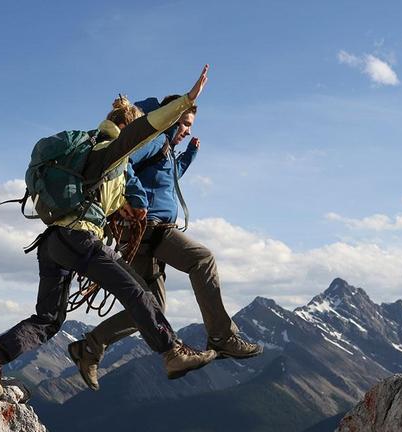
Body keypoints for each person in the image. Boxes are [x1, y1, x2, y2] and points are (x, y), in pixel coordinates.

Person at [0, 66, 217, 397]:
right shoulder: (110, 150)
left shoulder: (87, 152)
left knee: (49, 319)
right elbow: (147, 129)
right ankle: (172, 352)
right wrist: (185, 101)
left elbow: (105, 199)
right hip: (80, 239)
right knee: (139, 293)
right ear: (127, 128)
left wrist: (127, 208)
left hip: (53, 242)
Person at [68, 93, 263, 391]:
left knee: (151, 306)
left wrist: (189, 156)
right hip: (151, 229)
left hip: (141, 235)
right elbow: (122, 160)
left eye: (190, 126)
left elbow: (167, 178)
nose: (187, 130)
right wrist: (137, 199)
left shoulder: (166, 150)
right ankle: (222, 336)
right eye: (184, 123)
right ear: (170, 119)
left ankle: (90, 346)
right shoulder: (156, 140)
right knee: (202, 259)